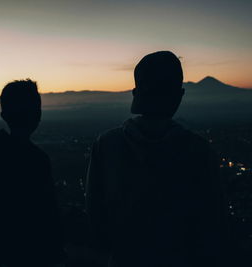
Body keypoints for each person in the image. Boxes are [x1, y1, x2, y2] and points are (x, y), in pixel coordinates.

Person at [86, 51, 228, 267]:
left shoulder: (106, 145)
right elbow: (213, 224)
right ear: (179, 95)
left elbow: (96, 217)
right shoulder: (199, 152)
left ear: (136, 93)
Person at [0, 79, 65, 267]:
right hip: (35, 252)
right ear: (37, 114)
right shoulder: (37, 160)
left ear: (4, 115)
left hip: (5, 248)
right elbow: (47, 215)